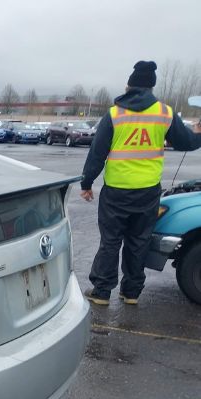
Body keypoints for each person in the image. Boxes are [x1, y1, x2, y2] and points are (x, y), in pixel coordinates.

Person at [80, 60, 201, 305]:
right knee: (138, 242)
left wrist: (86, 183)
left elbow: (97, 153)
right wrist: (198, 133)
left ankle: (102, 292)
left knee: (110, 241)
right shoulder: (164, 113)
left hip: (116, 191)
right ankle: (131, 293)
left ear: (129, 85)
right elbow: (186, 142)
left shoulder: (115, 114)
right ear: (151, 87)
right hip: (147, 191)